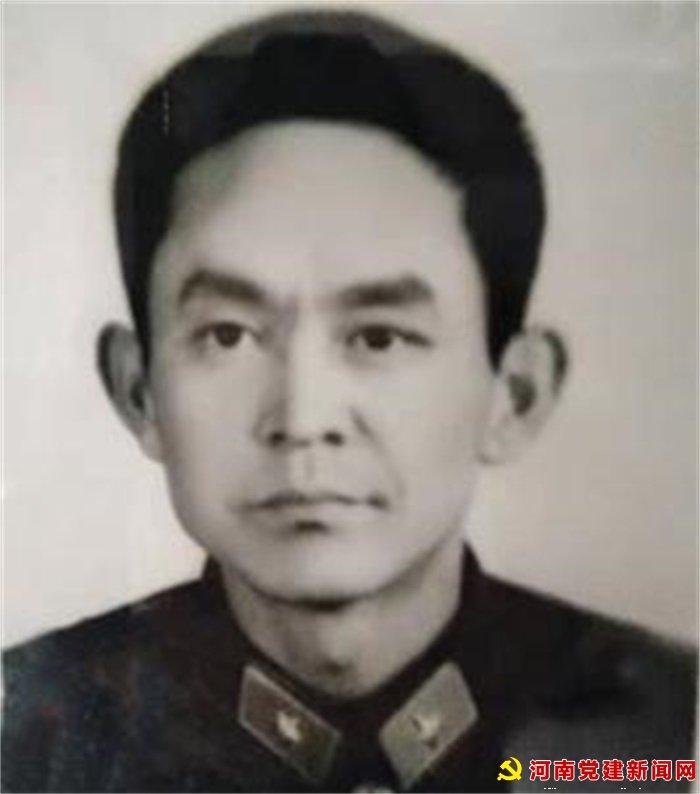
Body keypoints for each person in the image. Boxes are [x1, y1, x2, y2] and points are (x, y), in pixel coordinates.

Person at [2, 9, 696, 793]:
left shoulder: (668, 736)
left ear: (515, 394)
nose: (304, 421)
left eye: (379, 337)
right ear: (139, 390)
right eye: (228, 334)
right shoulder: (27, 741)